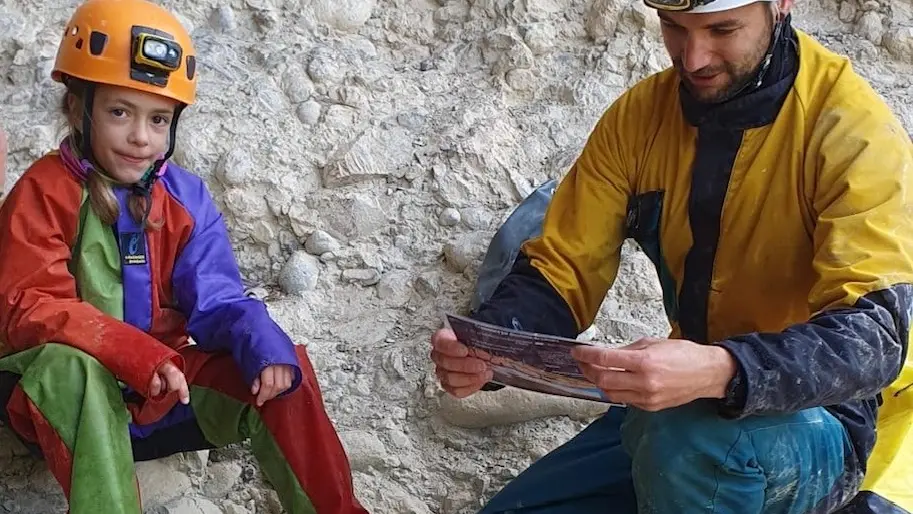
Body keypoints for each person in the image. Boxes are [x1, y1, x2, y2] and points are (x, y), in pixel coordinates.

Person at [430, 0, 913, 511]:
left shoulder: (853, 134)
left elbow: (873, 339)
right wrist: (494, 343)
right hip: (680, 403)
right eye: (674, 28)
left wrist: (721, 369)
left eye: (722, 29)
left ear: (781, 6)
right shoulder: (639, 118)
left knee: (696, 442)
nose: (693, 58)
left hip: (818, 421)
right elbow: (563, 268)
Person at [0, 1, 368, 513]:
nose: (140, 137)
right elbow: (30, 308)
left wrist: (260, 341)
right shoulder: (44, 191)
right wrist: (137, 355)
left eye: (159, 118)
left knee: (286, 366)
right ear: (77, 107)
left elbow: (216, 300)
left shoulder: (186, 199)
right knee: (72, 368)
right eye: (119, 111)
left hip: (154, 396)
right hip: (52, 401)